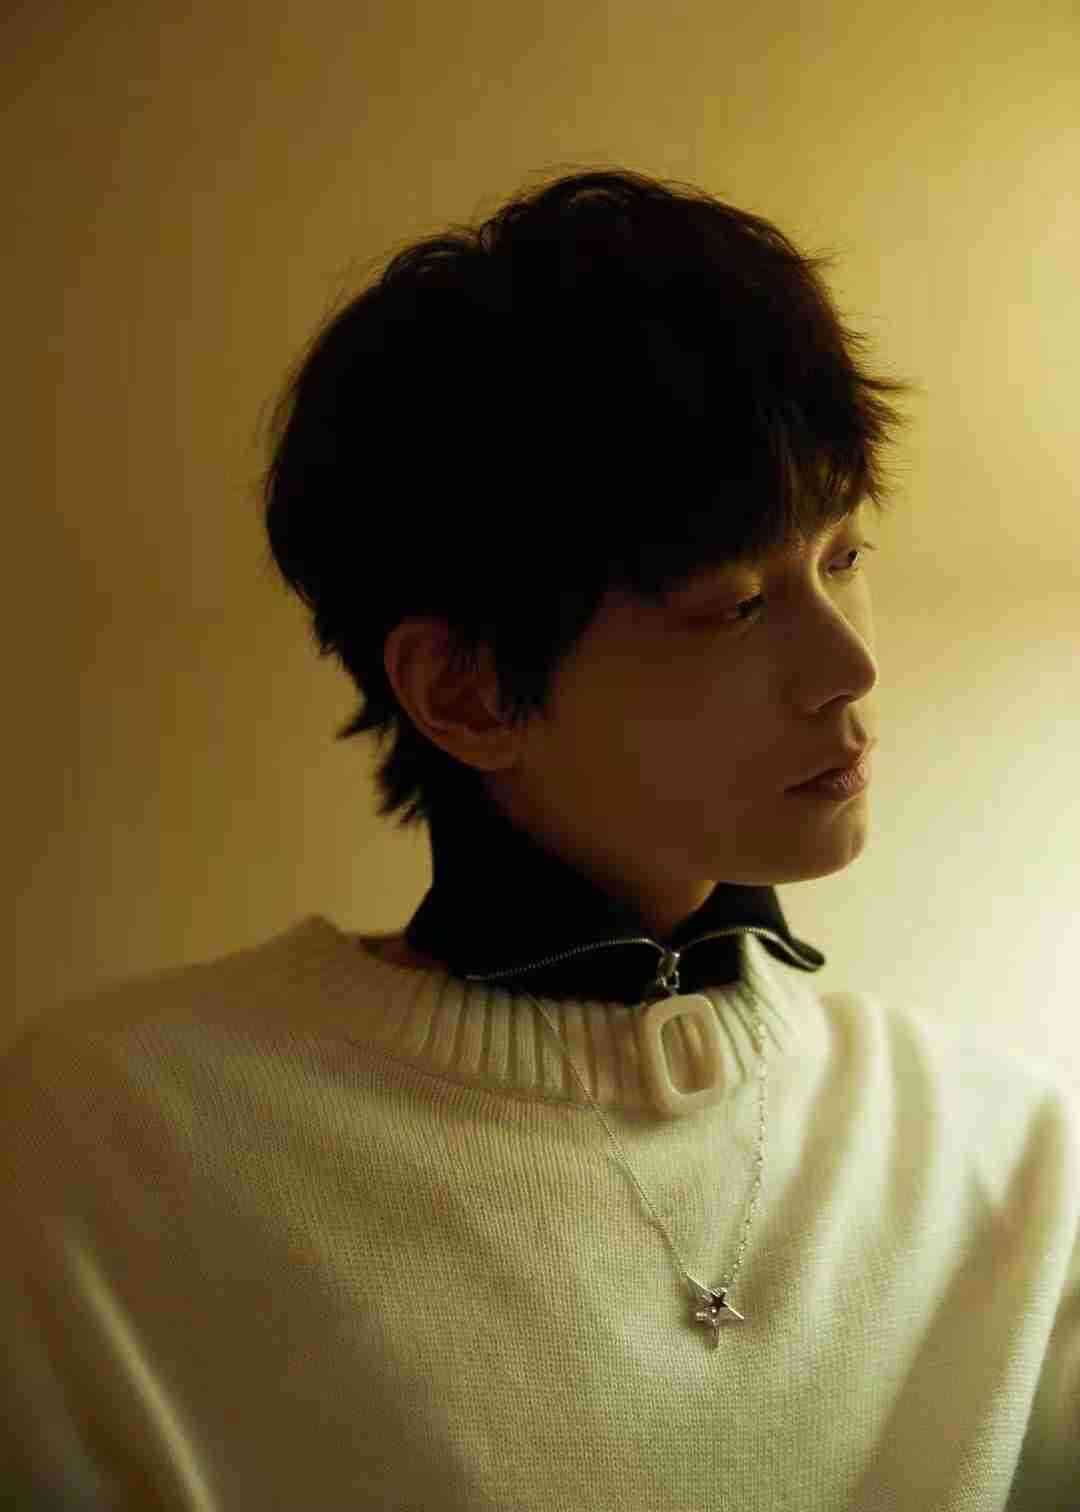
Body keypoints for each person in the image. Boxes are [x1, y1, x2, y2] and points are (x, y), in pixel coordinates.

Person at [3, 166, 1077, 1509]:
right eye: (735, 605)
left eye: (843, 556)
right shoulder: (111, 1148)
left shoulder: (1006, 1156)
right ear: (467, 693)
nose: (850, 666)